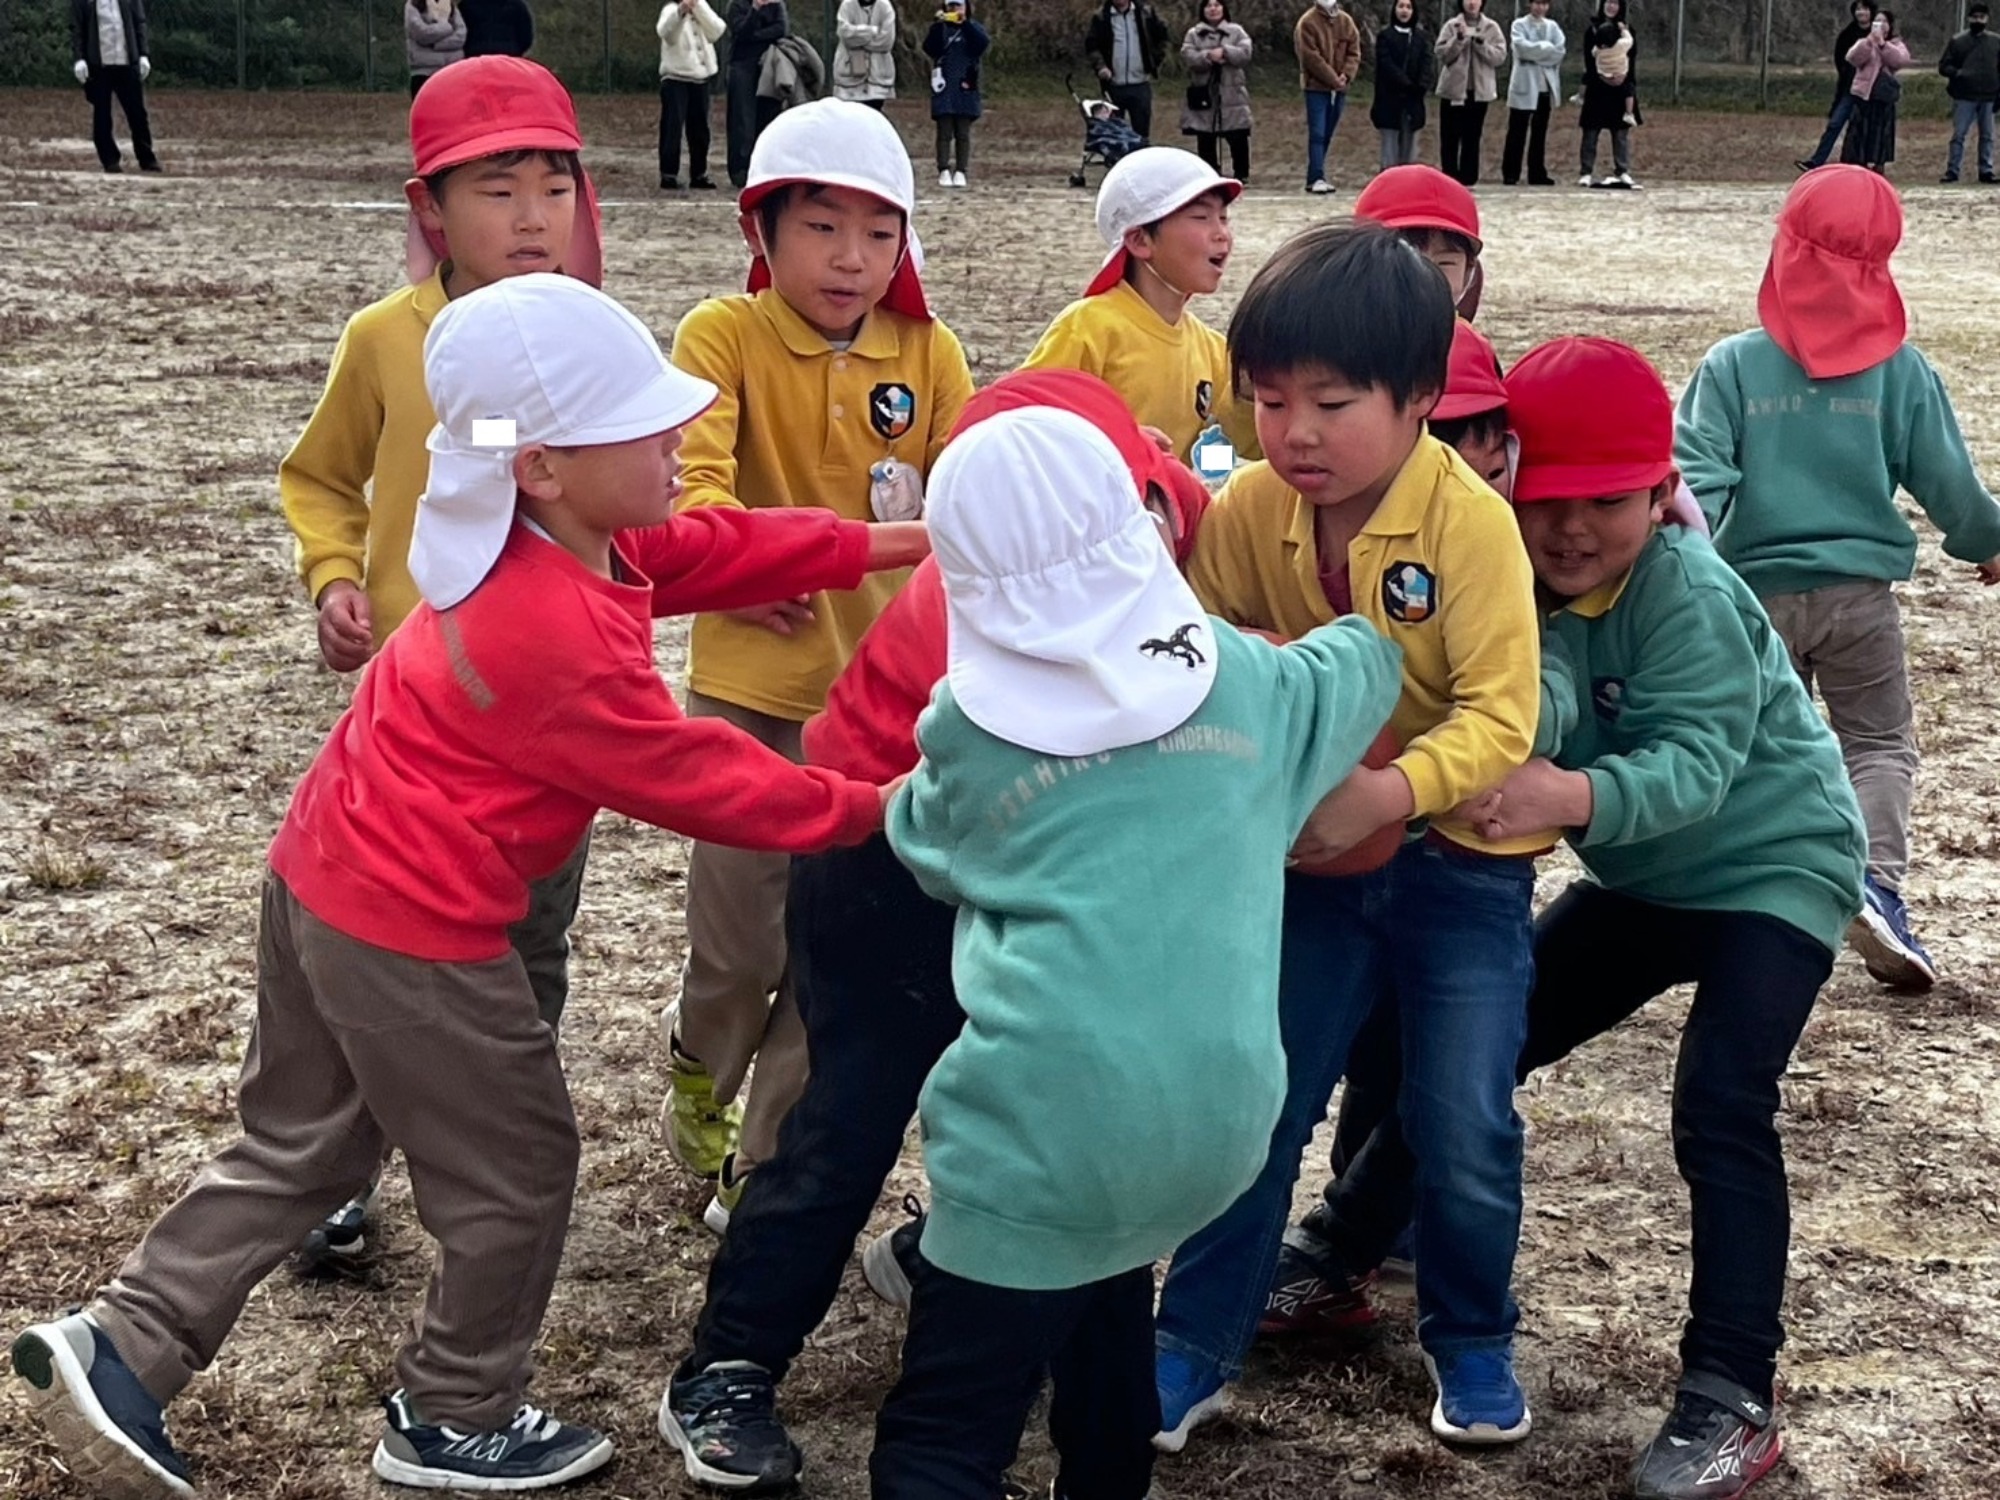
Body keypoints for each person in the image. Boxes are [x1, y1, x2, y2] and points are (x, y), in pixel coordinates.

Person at [7, 272, 931, 1499]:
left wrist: (892, 539)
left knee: (303, 1145)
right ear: (544, 460)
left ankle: (122, 1342)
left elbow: (707, 544)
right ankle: (451, 1413)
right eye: (645, 425)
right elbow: (697, 776)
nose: (677, 439)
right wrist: (887, 805)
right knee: (519, 1169)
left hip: (325, 877)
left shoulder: (521, 524)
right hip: (414, 935)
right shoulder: (543, 629)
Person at [657, 369, 1214, 1493]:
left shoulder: (1146, 508)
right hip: (887, 857)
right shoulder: (971, 607)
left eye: (1122, 499)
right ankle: (724, 1367)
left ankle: (966, 1275)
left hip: (1046, 874)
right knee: (851, 1117)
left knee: (1061, 1127)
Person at [867, 404, 1404, 1500]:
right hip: (1209, 1127)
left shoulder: (970, 733)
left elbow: (919, 838)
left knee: (941, 1432)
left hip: (1036, 1138)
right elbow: (1366, 663)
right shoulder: (1257, 690)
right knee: (1106, 1323)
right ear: (1143, 531)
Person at [1153, 221, 1544, 1455]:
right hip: (1305, 871)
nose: (1294, 433)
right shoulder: (1247, 510)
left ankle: (1471, 1336)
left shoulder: (1468, 527)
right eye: (1268, 401)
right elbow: (1194, 648)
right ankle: (1188, 1343)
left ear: (1420, 399)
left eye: (1331, 402)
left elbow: (1504, 714)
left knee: (1463, 1117)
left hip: (1459, 873)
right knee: (1254, 1101)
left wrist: (1397, 791)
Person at [1457, 336, 1868, 1500]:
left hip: (1772, 869)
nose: (1571, 528)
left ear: (1655, 493)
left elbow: (1691, 766)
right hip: (1643, 881)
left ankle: (1730, 1396)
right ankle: (1345, 1246)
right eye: (1544, 502)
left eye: (1604, 501)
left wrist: (1564, 791)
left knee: (1720, 1102)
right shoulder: (1518, 585)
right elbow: (1526, 688)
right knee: (1474, 1041)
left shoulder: (1687, 588)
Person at [277, 56, 607, 1267]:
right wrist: (335, 577)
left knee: (529, 944)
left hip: (548, 731)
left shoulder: (592, 345)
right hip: (417, 731)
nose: (530, 216)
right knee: (388, 958)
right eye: (495, 189)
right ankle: (339, 1175)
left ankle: (496, 1160)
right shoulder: (384, 341)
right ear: (429, 208)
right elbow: (319, 477)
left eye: (553, 185)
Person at [661, 99, 975, 1229]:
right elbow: (684, 485)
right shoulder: (722, 336)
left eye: (878, 232)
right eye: (822, 227)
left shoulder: (929, 353)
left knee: (826, 956)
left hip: (880, 710)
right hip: (745, 701)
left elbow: (965, 505)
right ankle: (698, 1057)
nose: (851, 258)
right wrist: (743, 557)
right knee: (738, 947)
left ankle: (764, 1168)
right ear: (765, 230)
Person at [1676, 166, 2000, 993]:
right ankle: (1876, 884)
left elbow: (1696, 482)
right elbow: (1951, 488)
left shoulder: (1734, 367)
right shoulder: (1902, 373)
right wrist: (1987, 543)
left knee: (1746, 747)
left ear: (1785, 252)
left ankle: (1729, 894)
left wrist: (1680, 569)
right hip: (1861, 600)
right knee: (1879, 742)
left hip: (1750, 601)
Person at [1022, 148, 1257, 467]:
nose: (1222, 235)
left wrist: (1246, 399)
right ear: (1140, 241)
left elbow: (1210, 466)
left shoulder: (1213, 349)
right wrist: (1116, 440)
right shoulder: (1089, 327)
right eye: (1201, 217)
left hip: (1168, 514)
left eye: (1224, 217)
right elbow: (1022, 426)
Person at [1352, 162, 1485, 320]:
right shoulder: (1331, 337)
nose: (1425, 280)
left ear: (1468, 273)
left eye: (1444, 264)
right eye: (1403, 261)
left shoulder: (1471, 344)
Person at [69, 0, 157, 175]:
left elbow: (139, 23)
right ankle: (109, 160)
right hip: (98, 65)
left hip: (127, 62)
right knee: (102, 115)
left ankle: (147, 158)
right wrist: (79, 58)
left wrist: (143, 54)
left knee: (137, 114)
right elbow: (77, 29)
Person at [1433, 0, 1507, 188]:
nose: (1472, 3)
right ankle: (1449, 178)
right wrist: (1459, 39)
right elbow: (1442, 54)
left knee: (1472, 137)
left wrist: (1481, 44)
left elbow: (1499, 57)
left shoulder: (1491, 27)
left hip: (1479, 92)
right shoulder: (1451, 25)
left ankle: (1468, 179)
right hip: (1454, 91)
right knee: (1450, 137)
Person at [1798, 0, 1876, 172]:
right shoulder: (1847, 34)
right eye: (1857, 9)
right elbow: (1840, 59)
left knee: (1865, 128)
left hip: (1872, 90)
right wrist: (1848, 74)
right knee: (1835, 123)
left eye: (1864, 9)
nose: (1860, 13)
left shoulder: (1880, 34)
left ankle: (1865, 162)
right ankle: (1816, 160)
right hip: (1849, 88)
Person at [1181, 0, 1253, 182]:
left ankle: (1241, 173)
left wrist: (1225, 52)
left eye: (1217, 5)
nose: (1213, 9)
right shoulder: (1193, 34)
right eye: (1208, 5)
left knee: (1238, 136)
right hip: (1204, 93)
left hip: (1232, 94)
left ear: (1224, 8)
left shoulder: (1236, 31)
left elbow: (1245, 53)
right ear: (1203, 10)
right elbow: (1188, 56)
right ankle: (1210, 174)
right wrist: (1207, 56)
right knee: (1205, 138)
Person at [657, 0, 727, 189]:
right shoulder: (669, 10)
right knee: (672, 128)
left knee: (700, 130)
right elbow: (667, 34)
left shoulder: (701, 8)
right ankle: (668, 174)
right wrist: (680, 13)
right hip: (675, 78)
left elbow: (717, 30)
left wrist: (698, 8)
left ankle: (699, 173)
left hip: (700, 79)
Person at [1295, 0, 1361, 192]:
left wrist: (1347, 74)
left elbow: (1354, 51)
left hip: (1340, 89)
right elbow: (1310, 57)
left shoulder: (1346, 22)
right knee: (1317, 133)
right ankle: (1316, 176)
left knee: (1328, 132)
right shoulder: (1307, 22)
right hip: (1315, 87)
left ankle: (1315, 173)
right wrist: (1332, 78)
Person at [1087, 0, 1173, 144]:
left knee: (1141, 135)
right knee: (1115, 135)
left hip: (1140, 84)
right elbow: (1091, 46)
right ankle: (1118, 164)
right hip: (1112, 85)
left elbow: (1163, 38)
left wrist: (1154, 61)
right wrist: (1101, 66)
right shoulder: (1101, 17)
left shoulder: (1147, 13)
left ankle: (1141, 164)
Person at [925, 0, 989, 188]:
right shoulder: (941, 29)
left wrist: (965, 23)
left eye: (958, 6)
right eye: (951, 7)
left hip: (966, 85)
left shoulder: (974, 28)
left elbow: (981, 45)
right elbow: (930, 49)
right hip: (944, 85)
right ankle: (943, 168)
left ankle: (961, 170)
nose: (955, 10)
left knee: (963, 132)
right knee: (944, 131)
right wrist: (938, 24)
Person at [725, 0, 789, 186]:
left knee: (769, 115)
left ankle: (765, 167)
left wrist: (755, 35)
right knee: (742, 119)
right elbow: (741, 32)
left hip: (768, 64)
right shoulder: (736, 5)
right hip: (741, 65)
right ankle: (740, 170)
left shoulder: (777, 4)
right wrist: (755, 10)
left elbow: (781, 29)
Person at [1579, 0, 1640, 187]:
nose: (1611, 7)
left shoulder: (1628, 30)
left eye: (1615, 3)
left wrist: (1623, 79)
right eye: (1608, 2)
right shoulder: (1592, 30)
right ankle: (1586, 171)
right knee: (1590, 131)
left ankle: (1622, 170)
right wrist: (1599, 77)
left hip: (1620, 87)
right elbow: (1589, 60)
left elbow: (1631, 58)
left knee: (1620, 132)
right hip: (1597, 86)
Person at [1502, 0, 1563, 186]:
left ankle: (1537, 172)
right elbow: (1522, 49)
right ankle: (1511, 172)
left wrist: (1537, 52)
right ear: (1530, 5)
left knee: (1540, 132)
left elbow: (1559, 52)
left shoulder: (1553, 27)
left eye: (1544, 4)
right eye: (1537, 3)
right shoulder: (1519, 25)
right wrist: (1546, 49)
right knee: (1517, 131)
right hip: (1524, 86)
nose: (1540, 8)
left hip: (1544, 87)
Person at [1841, 8, 1908, 173]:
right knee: (1859, 131)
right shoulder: (1865, 42)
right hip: (1864, 95)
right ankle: (1857, 164)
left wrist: (1883, 45)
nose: (1880, 25)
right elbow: (1852, 58)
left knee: (1881, 132)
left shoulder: (1896, 44)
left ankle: (1878, 164)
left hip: (1883, 96)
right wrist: (1870, 42)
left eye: (1884, 21)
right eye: (1877, 21)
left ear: (1890, 25)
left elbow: (1899, 61)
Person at [1939, 1, 1999, 182]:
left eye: (1981, 17)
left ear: (1987, 19)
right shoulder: (1958, 41)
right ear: (1969, 18)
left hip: (1989, 96)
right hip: (1964, 96)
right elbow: (1944, 66)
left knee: (1988, 136)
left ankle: (1986, 170)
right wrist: (1958, 74)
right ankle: (1952, 170)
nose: (1978, 20)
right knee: (1959, 135)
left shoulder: (1996, 42)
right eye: (1975, 17)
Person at [1370, 0, 1434, 170]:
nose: (1404, 11)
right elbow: (1386, 64)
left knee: (1410, 154)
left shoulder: (1421, 37)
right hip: (1389, 101)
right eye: (1401, 6)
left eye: (1408, 7)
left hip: (1413, 102)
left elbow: (1427, 64)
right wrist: (1405, 83)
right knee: (1389, 153)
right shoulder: (1385, 36)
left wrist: (1420, 86)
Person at [834, 0, 897, 108]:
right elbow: (845, 34)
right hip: (849, 77)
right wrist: (871, 31)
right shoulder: (847, 5)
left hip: (878, 78)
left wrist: (858, 40)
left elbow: (886, 41)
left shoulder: (885, 6)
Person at [405, 0, 465, 98]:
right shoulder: (412, 6)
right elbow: (422, 34)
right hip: (424, 73)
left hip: (451, 72)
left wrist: (435, 44)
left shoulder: (451, 7)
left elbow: (460, 36)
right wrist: (447, 27)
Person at [460, 0, 533, 55]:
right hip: (509, 55)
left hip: (475, 56)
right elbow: (526, 37)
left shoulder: (466, 5)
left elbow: (461, 35)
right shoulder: (517, 5)